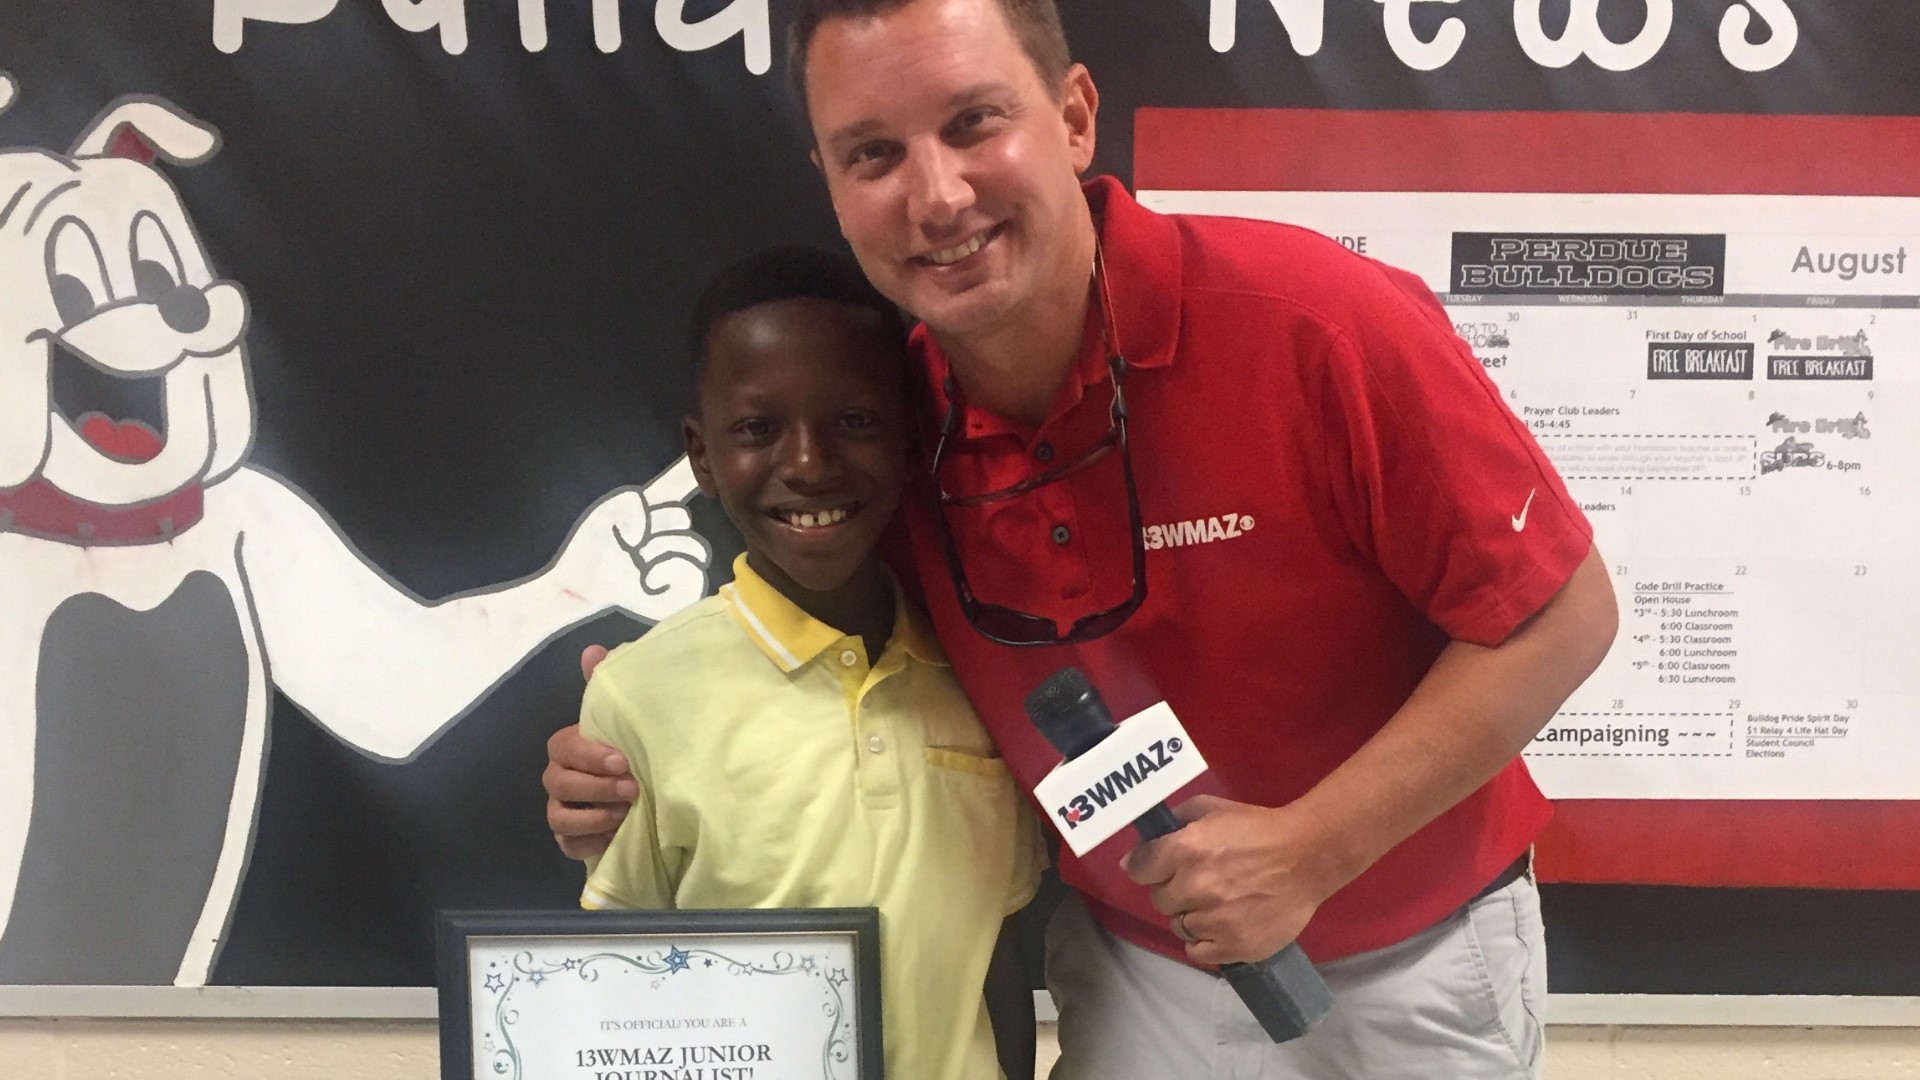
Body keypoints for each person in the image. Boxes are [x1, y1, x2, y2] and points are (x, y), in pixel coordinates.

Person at [547, 1, 1620, 1076]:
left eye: (974, 122)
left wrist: (1309, 849)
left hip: (1407, 955)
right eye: (874, 153)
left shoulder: (1314, 324)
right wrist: (642, 745)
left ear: (1072, 117)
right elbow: (830, 639)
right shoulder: (882, 428)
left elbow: (1564, 616)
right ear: (831, 181)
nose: (936, 196)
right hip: (1132, 965)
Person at [575, 245, 1042, 1080]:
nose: (809, 464)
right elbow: (623, 991)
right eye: (758, 429)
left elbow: (997, 957)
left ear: (910, 438)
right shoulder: (640, 697)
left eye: (855, 421)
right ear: (703, 457)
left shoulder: (983, 676)